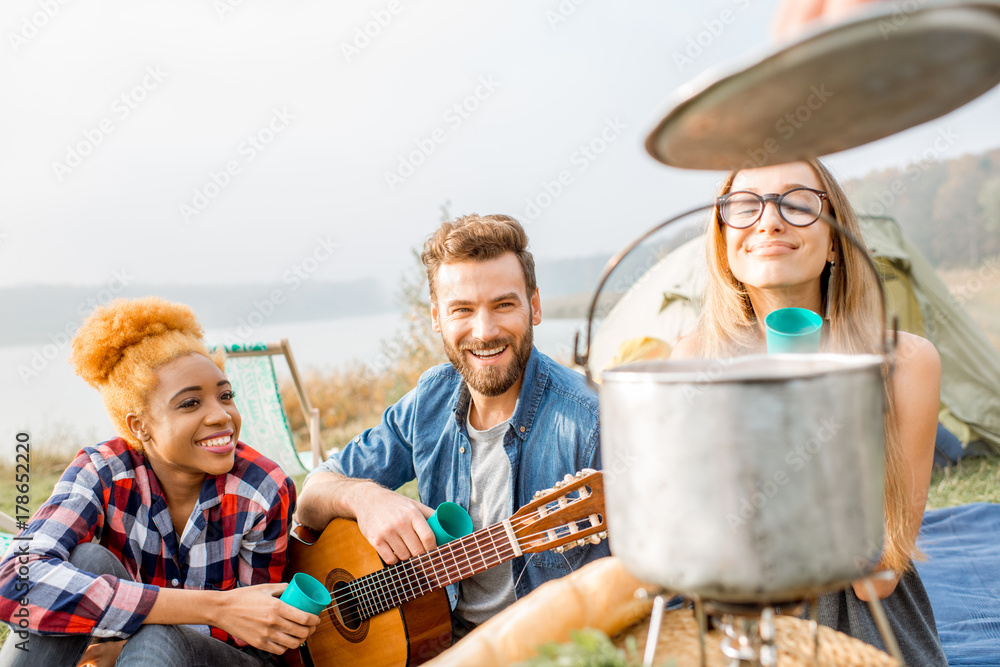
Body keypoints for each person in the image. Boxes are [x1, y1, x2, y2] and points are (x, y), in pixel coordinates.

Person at [671, 160, 947, 666]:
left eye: (797, 204)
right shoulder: (694, 359)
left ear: (837, 239)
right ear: (723, 240)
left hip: (862, 631)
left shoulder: (905, 363)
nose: (769, 221)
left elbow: (879, 577)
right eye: (744, 206)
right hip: (738, 628)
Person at [296, 214, 610, 637]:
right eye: (462, 309)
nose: (484, 332)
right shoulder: (431, 399)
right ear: (436, 318)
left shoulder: (591, 423)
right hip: (440, 641)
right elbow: (311, 495)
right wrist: (364, 498)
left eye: (503, 304)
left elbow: (659, 582)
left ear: (534, 306)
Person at [0, 297, 319, 667]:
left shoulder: (264, 488)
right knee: (84, 557)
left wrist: (131, 639)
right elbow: (14, 578)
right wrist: (213, 608)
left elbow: (259, 630)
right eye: (190, 404)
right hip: (137, 647)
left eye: (225, 395)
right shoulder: (103, 471)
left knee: (159, 636)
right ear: (140, 426)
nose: (221, 415)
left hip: (233, 660)